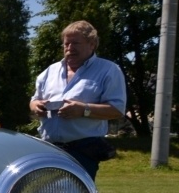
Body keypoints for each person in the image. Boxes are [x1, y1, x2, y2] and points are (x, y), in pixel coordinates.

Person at [29, 20, 126, 179]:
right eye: (66, 44)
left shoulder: (108, 70)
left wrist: (84, 110)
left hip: (82, 152)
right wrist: (35, 106)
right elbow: (34, 100)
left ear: (92, 44)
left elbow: (117, 110)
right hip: (48, 149)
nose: (69, 48)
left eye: (75, 43)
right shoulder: (49, 72)